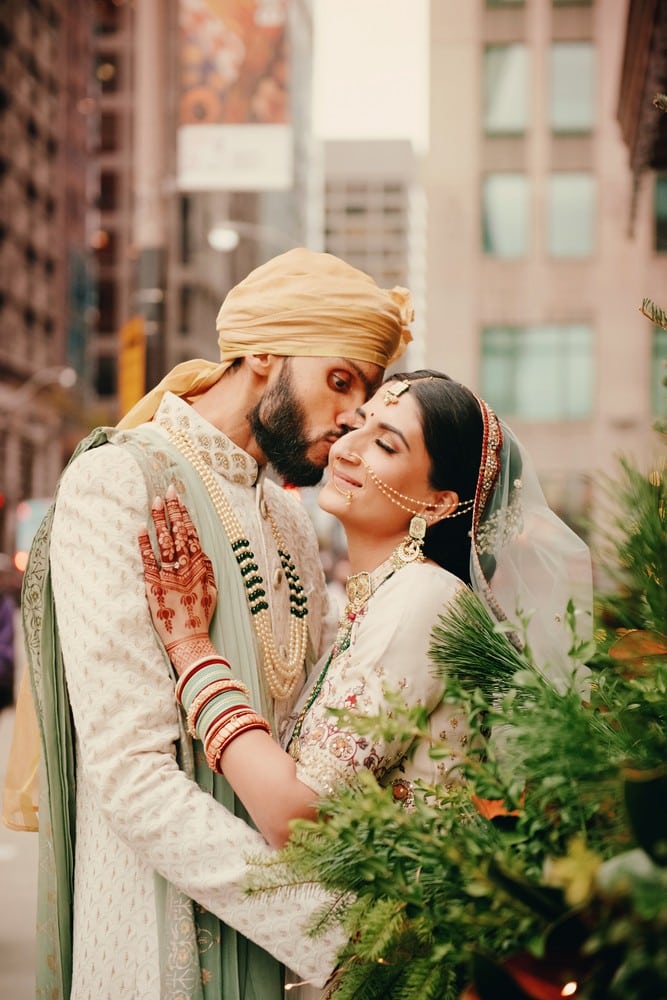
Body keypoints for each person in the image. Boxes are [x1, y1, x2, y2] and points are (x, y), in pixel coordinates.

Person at [3, 248, 414, 1000]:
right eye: (340, 379)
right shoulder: (117, 482)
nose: (355, 415)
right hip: (155, 937)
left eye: (369, 391)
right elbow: (130, 773)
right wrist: (333, 929)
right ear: (262, 351)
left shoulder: (289, 518)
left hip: (279, 948)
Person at [139, 371, 593, 993]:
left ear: (438, 503)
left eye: (388, 444)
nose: (348, 448)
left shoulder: (424, 598)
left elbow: (297, 817)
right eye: (356, 426)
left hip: (407, 967)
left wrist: (191, 650)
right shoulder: (379, 601)